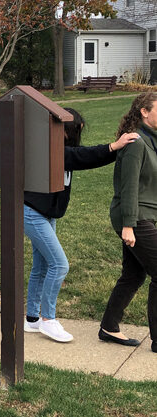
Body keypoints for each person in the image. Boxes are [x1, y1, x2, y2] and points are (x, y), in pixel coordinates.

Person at [22, 108, 137, 343]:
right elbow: (81, 156)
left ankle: (32, 319)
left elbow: (79, 155)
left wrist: (113, 150)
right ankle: (48, 320)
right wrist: (113, 147)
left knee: (42, 266)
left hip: (45, 213)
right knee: (59, 265)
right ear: (63, 130)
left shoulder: (58, 147)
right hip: (32, 212)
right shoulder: (48, 147)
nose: (78, 133)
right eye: (76, 129)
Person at [101, 92, 157, 354]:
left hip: (145, 215)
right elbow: (129, 186)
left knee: (134, 275)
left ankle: (109, 327)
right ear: (144, 112)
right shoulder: (136, 142)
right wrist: (128, 224)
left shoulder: (152, 141)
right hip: (134, 216)